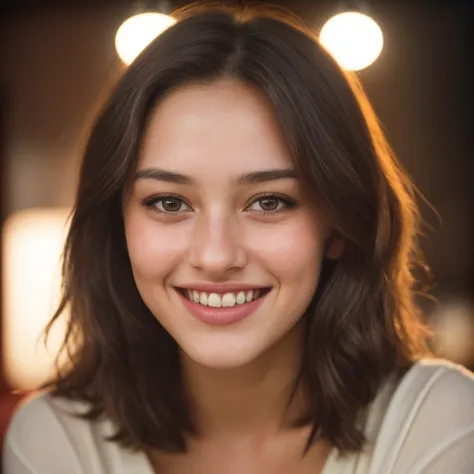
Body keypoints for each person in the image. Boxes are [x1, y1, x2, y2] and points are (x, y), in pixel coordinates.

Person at [4, 3, 474, 473]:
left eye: (269, 202)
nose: (215, 256)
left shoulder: (439, 420)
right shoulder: (52, 440)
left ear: (340, 223)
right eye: (169, 202)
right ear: (117, 223)